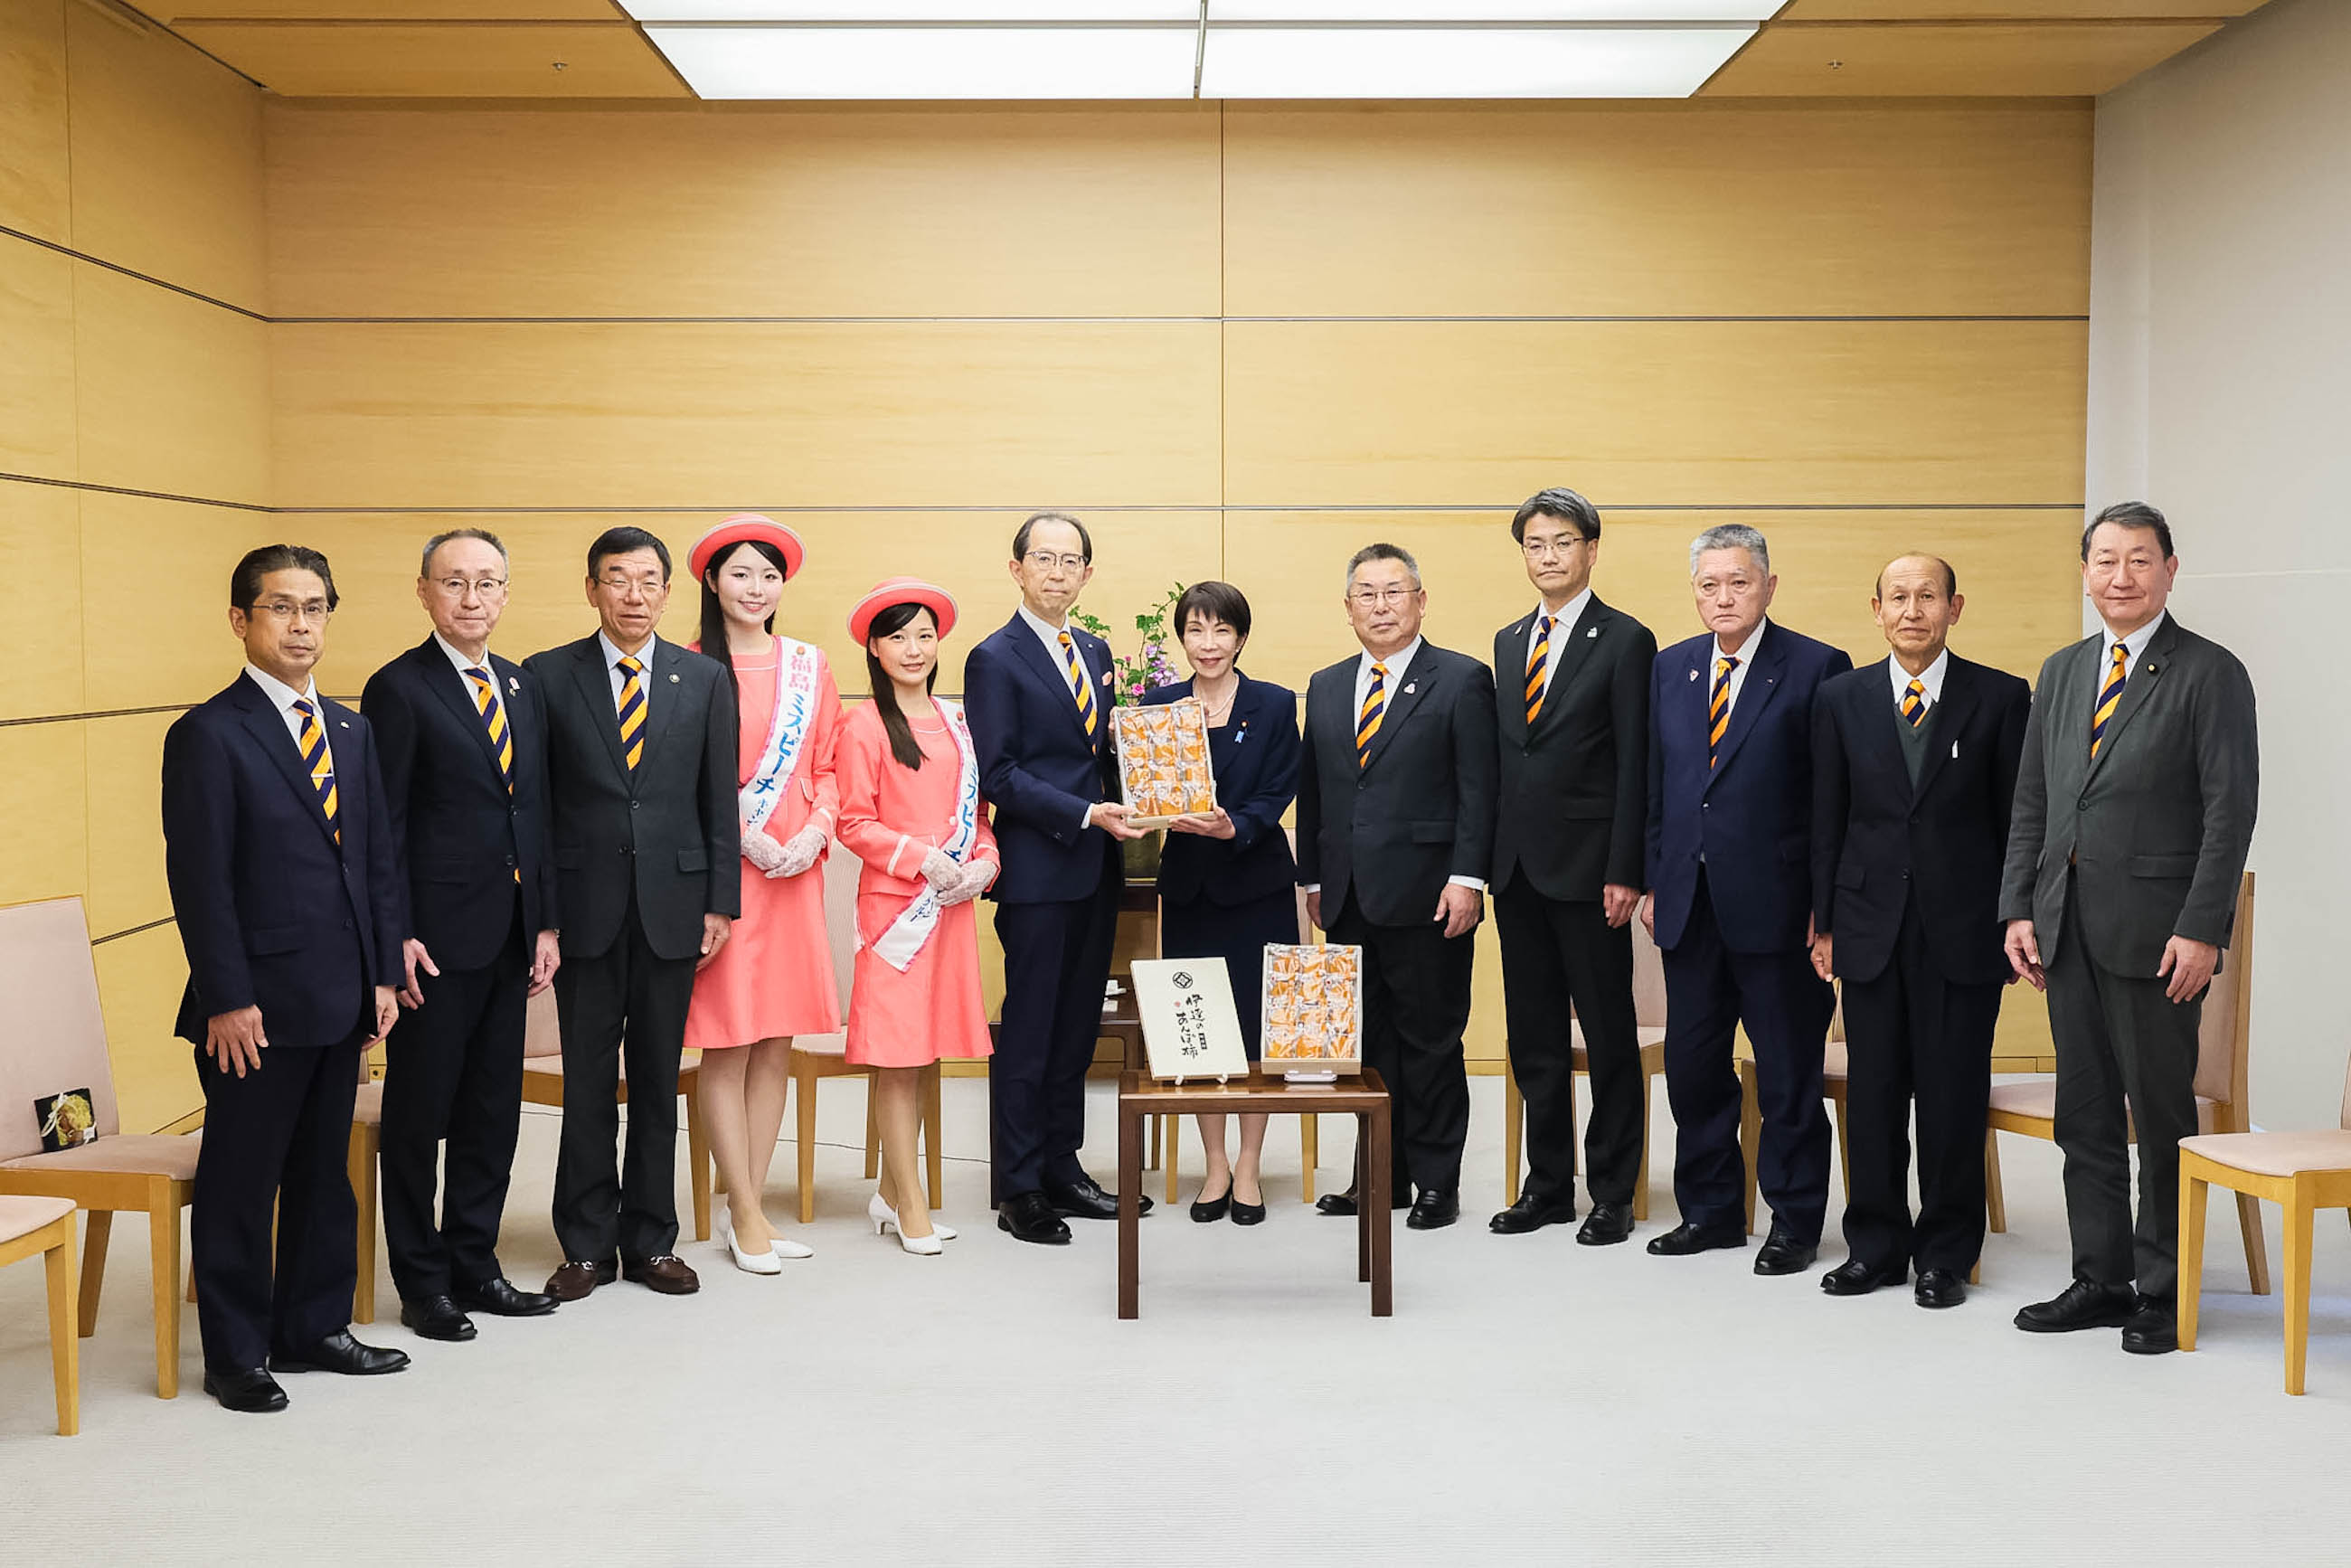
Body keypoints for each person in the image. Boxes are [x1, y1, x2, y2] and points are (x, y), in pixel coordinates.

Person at [2000, 502, 2259, 1355]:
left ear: (2171, 571)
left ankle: (2163, 1289)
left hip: (2159, 936)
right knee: (2085, 1118)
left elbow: (2230, 812)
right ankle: (2101, 1277)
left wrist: (2202, 927)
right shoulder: (2065, 669)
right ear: (2084, 572)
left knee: (2158, 1115)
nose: (2121, 576)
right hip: (2066, 928)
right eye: (2105, 560)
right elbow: (2034, 803)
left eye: (2139, 561)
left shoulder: (2209, 673)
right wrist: (2019, 908)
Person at [162, 544, 408, 1412]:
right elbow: (200, 881)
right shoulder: (208, 734)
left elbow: (375, 863)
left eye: (315, 608)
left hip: (341, 997)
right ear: (241, 620)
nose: (301, 625)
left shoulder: (350, 728)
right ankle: (234, 1353)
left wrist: (383, 975)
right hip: (254, 1007)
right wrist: (228, 997)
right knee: (241, 1182)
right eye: (281, 608)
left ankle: (313, 1329)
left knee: (320, 1176)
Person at [1809, 554, 2031, 1308]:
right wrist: (1824, 922)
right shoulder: (1840, 699)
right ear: (1875, 609)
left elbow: (2016, 825)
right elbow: (1827, 821)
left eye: (1927, 597)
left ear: (1955, 607)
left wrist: (2013, 917)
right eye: (1898, 597)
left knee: (1951, 1096)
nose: (1913, 610)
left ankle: (1944, 1253)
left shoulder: (2001, 698)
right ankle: (1874, 1246)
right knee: (1871, 1095)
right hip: (1867, 926)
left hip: (1963, 931)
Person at [526, 526, 741, 1301]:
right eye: (617, 580)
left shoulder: (705, 678)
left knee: (657, 1079)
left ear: (667, 591)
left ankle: (651, 1241)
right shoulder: (547, 677)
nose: (634, 595)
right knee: (588, 1081)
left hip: (675, 908)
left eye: (649, 581)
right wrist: (542, 916)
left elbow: (719, 799)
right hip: (584, 910)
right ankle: (584, 1246)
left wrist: (722, 901)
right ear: (592, 589)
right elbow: (537, 809)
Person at [361, 529, 562, 1344]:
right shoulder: (397, 689)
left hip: (509, 935)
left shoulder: (519, 686)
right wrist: (395, 936)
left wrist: (546, 919)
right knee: (418, 1114)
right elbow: (384, 827)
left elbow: (534, 814)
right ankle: (422, 1281)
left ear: (507, 594)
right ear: (424, 592)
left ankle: (475, 1263)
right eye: (455, 583)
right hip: (433, 943)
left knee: (492, 1111)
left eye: (488, 583)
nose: (472, 598)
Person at [1644, 524, 1851, 1274]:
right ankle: (1710, 1213)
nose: (1722, 596)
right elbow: (1657, 788)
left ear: (1767, 585)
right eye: (1708, 584)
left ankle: (1794, 1222)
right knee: (1695, 1069)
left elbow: (1835, 800)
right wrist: (1651, 875)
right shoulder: (1670, 669)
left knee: (1788, 1075)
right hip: (1688, 907)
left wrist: (1824, 907)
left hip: (1781, 911)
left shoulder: (1818, 666)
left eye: (1737, 582)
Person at [963, 512, 1152, 1245]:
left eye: (1071, 561)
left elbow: (1095, 752)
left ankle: (1063, 1168)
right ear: (1017, 568)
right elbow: (1000, 772)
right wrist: (1084, 813)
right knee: (1031, 1030)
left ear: (1086, 575)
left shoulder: (1096, 650)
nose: (1057, 571)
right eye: (1043, 558)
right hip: (1040, 866)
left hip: (1097, 868)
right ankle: (1018, 1186)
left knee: (1078, 1029)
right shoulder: (994, 657)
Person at [1298, 543, 1497, 1231]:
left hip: (1431, 894)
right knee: (1370, 1047)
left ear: (1420, 600)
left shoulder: (1462, 679)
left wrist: (1467, 878)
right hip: (1349, 895)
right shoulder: (1325, 684)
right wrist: (1315, 878)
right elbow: (1317, 792)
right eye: (1366, 594)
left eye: (1393, 592)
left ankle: (1438, 1182)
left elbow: (1479, 789)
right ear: (1347, 607)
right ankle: (1379, 1177)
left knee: (1432, 1042)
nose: (1380, 606)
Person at [1487, 488, 1657, 1245]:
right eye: (1534, 544)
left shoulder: (1626, 639)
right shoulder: (1507, 639)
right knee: (1533, 1038)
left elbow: (1634, 762)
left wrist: (1626, 868)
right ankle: (1547, 1186)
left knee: (1610, 1035)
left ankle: (1612, 1191)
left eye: (1561, 542)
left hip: (1593, 872)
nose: (1547, 556)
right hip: (1518, 870)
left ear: (1591, 549)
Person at [681, 515, 842, 1274]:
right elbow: (675, 778)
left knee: (776, 1039)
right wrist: (743, 838)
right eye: (740, 574)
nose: (755, 588)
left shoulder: (811, 665)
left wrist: (815, 831)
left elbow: (832, 764)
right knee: (727, 1040)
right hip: (723, 875)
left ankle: (755, 1203)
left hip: (794, 874)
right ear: (713, 582)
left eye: (768, 576)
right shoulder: (682, 666)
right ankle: (739, 1210)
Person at [836, 579, 996, 1254]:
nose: (913, 648)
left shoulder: (958, 720)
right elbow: (853, 821)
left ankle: (896, 1192)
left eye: (924, 635)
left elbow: (980, 816)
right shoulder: (864, 724)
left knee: (926, 1055)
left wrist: (986, 861)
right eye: (898, 636)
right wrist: (917, 858)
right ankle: (911, 1209)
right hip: (898, 915)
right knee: (897, 1059)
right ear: (874, 647)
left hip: (952, 908)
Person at [1142, 581, 1302, 1226]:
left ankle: (1248, 1168)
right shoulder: (1158, 704)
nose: (1208, 645)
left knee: (1258, 1034)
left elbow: (1279, 786)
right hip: (1188, 890)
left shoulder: (1271, 704)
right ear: (1182, 638)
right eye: (1196, 631)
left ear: (1241, 636)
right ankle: (1212, 1166)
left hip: (1255, 885)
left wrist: (1237, 825)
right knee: (1199, 1034)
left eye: (1221, 631)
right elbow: (1143, 784)